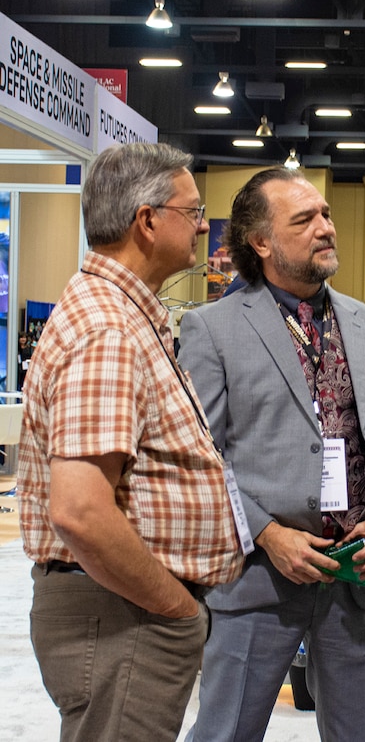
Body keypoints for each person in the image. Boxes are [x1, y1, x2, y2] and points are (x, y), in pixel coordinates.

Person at [177, 167, 365, 742]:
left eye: (327, 215)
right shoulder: (211, 330)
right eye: (305, 220)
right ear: (261, 242)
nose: (326, 228)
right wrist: (267, 532)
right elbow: (200, 460)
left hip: (358, 578)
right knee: (224, 733)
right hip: (257, 579)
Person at [16, 142, 243, 742]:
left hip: (124, 610)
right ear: (147, 221)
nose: (201, 227)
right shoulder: (109, 330)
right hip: (122, 614)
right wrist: (176, 609)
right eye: (192, 212)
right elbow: (82, 511)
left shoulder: (124, 316)